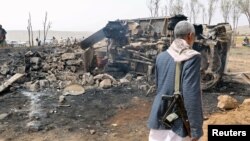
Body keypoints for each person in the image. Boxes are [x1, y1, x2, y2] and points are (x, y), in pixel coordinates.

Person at [147, 21, 203, 141]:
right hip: (178, 125)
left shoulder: (160, 57)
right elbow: (191, 95)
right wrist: (195, 129)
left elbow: (159, 87)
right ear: (190, 35)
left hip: (158, 118)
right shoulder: (192, 57)